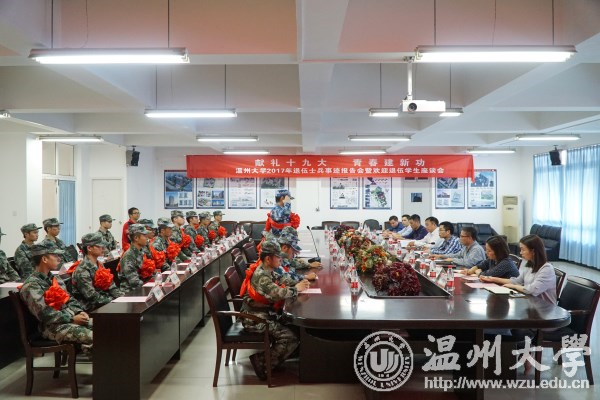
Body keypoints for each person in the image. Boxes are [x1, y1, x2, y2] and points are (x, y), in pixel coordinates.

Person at [240, 241, 309, 380]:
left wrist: (300, 282)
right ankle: (261, 362)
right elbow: (277, 293)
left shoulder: (268, 269)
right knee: (290, 337)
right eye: (278, 257)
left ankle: (278, 358)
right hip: (254, 318)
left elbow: (283, 279)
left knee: (295, 328)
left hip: (263, 313)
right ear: (268, 259)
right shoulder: (262, 276)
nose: (281, 260)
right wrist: (296, 289)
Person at [20, 243, 92, 354]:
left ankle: (91, 351)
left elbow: (68, 299)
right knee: (96, 336)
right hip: (52, 327)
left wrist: (79, 311)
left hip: (68, 320)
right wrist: (72, 319)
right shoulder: (31, 285)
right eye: (55, 256)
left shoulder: (54, 278)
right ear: (44, 259)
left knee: (105, 327)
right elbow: (44, 314)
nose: (59, 259)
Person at [480, 234, 557, 304]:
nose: (520, 253)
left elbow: (533, 290)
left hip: (545, 309)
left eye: (523, 249)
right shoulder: (529, 265)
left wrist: (513, 286)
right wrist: (493, 279)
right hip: (531, 304)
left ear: (533, 251)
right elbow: (517, 281)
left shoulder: (547, 269)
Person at [71, 232, 123, 312]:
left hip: (105, 303)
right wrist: (113, 302)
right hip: (92, 309)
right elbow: (92, 296)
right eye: (99, 246)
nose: (103, 249)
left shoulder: (99, 265)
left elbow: (111, 286)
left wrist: (121, 298)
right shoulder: (82, 270)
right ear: (89, 248)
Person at [119, 224, 155, 293]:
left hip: (142, 286)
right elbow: (134, 282)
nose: (147, 238)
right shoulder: (129, 256)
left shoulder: (142, 251)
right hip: (131, 291)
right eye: (144, 236)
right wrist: (151, 287)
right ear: (136, 238)